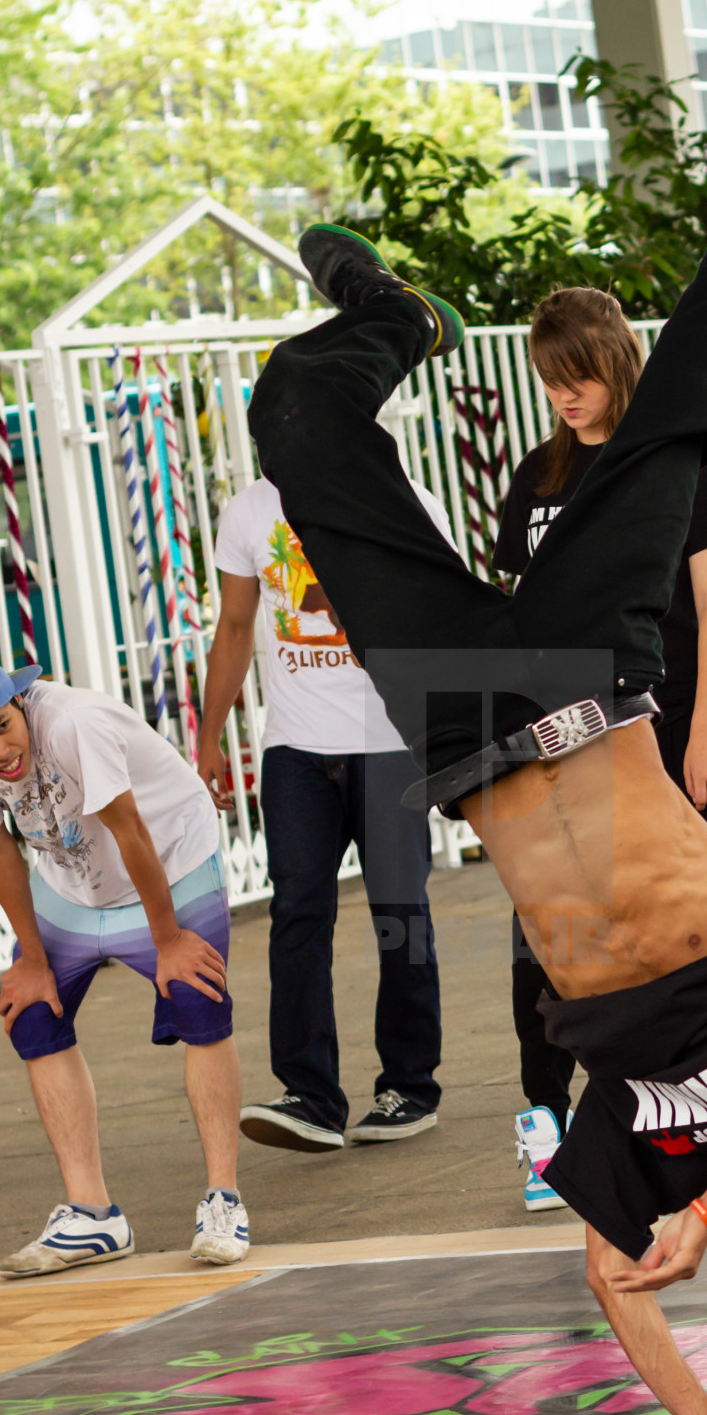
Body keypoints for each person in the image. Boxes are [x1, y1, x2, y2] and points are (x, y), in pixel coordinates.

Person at [249, 0, 707, 1415]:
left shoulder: (658, 1137)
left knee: (296, 425)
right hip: (588, 687)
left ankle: (382, 325)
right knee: (691, 410)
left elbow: (615, 1274)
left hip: (468, 737)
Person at [493, 288, 707, 1210]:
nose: (565, 394)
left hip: (676, 727)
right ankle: (544, 1121)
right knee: (551, 935)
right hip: (566, 747)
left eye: (579, 375)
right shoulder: (536, 480)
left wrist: (704, 735)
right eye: (550, 380)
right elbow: (515, 612)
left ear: (614, 361)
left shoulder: (670, 461)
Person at [0, 650, 248, 1277]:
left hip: (171, 859)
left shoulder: (74, 723)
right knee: (32, 1015)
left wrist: (168, 943)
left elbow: (131, 831)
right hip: (73, 880)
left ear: (18, 700)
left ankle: (223, 1201)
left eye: (1, 724)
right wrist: (31, 959)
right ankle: (93, 1216)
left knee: (197, 999)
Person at [198, 472, 451, 1151]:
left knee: (401, 914)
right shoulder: (249, 510)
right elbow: (234, 626)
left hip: (388, 745)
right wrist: (209, 736)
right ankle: (310, 1094)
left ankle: (409, 1086)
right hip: (295, 750)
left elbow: (441, 608)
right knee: (297, 914)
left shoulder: (401, 494)